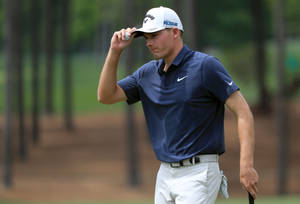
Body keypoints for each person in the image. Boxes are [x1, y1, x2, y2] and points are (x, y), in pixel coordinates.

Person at [98, 6, 259, 204]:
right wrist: (115, 52)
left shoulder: (205, 66)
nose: (149, 43)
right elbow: (106, 96)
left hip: (199, 173)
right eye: (146, 37)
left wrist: (247, 166)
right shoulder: (147, 74)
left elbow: (243, 112)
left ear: (175, 32)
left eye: (154, 35)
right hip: (165, 174)